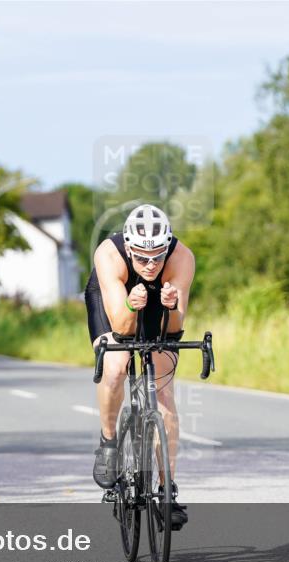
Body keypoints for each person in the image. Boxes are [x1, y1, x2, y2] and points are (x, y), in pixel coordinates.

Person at [84, 204, 196, 529]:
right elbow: (121, 327)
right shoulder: (109, 254)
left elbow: (174, 329)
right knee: (116, 366)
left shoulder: (182, 258)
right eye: (143, 258)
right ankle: (108, 442)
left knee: (163, 392)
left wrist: (171, 306)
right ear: (130, 249)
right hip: (115, 304)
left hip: (158, 304)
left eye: (157, 257)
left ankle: (167, 489)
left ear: (167, 248)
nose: (150, 265)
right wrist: (131, 304)